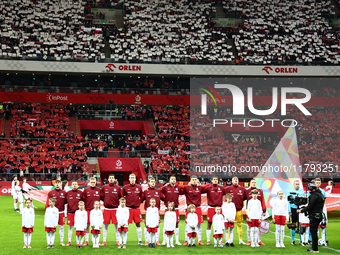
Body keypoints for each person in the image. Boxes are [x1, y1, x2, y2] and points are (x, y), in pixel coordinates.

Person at [297, 182, 325, 253]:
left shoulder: (313, 196)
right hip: (319, 215)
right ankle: (314, 247)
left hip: (314, 216)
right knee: (314, 231)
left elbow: (310, 206)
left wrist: (301, 210)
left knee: (313, 232)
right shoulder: (321, 194)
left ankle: (315, 248)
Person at [160, 175, 183, 245]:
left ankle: (177, 240)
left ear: (176, 181)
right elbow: (158, 191)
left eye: (174, 179)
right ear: (169, 180)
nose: (173, 180)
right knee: (166, 224)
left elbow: (184, 191)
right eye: (172, 179)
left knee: (176, 224)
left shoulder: (178, 187)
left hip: (176, 208)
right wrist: (163, 199)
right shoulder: (165, 187)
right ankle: (164, 240)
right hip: (167, 209)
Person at [121, 173, 143, 245]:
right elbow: (121, 194)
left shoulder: (139, 187)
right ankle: (124, 241)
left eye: (134, 178)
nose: (132, 179)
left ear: (135, 179)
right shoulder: (125, 187)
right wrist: (124, 201)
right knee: (126, 224)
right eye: (131, 178)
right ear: (129, 179)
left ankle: (140, 240)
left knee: (138, 224)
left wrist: (139, 201)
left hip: (136, 209)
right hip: (128, 209)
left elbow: (142, 196)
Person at [182, 175, 205, 245]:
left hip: (197, 208)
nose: (194, 181)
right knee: (187, 225)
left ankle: (199, 240)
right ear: (190, 181)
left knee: (199, 225)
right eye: (193, 180)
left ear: (197, 180)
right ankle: (186, 240)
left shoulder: (200, 188)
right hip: (189, 208)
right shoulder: (187, 187)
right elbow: (178, 187)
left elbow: (208, 186)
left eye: (195, 179)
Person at [224, 176, 247, 245]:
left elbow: (244, 197)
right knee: (228, 226)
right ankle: (229, 240)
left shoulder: (242, 189)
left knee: (239, 225)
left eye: (237, 179)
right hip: (230, 212)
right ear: (232, 181)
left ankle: (240, 240)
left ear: (238, 181)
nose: (235, 180)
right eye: (234, 179)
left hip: (239, 210)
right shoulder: (228, 188)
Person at [100, 174, 121, 246]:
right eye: (110, 178)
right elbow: (102, 197)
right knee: (105, 225)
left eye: (112, 178)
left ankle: (118, 241)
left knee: (117, 225)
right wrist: (106, 201)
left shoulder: (118, 188)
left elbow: (120, 198)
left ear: (115, 179)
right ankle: (104, 241)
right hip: (107, 209)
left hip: (115, 209)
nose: (111, 179)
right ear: (108, 179)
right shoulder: (104, 187)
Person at [141, 177, 163, 246]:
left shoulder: (158, 191)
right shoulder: (146, 191)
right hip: (148, 212)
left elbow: (164, 198)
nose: (153, 183)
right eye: (151, 182)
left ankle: (156, 241)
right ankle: (147, 241)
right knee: (146, 226)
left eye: (154, 182)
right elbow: (141, 199)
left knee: (157, 226)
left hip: (156, 212)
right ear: (149, 183)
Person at [203, 176, 225, 245]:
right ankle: (208, 240)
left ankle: (220, 239)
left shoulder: (221, 188)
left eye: (216, 179)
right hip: (211, 208)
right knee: (209, 224)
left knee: (220, 225)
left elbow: (228, 191)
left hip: (219, 208)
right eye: (214, 179)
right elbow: (201, 188)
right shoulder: (208, 188)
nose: (215, 180)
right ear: (211, 181)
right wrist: (207, 184)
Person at [46, 179, 67, 246]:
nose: (57, 184)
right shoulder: (51, 192)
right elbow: (47, 202)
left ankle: (61, 241)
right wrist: (47, 209)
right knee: (51, 227)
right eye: (56, 183)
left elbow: (66, 201)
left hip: (61, 212)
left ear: (60, 184)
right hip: (52, 212)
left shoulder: (64, 192)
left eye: (58, 183)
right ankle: (50, 242)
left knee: (61, 227)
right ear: (54, 184)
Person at [245, 179, 266, 246]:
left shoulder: (259, 191)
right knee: (250, 228)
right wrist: (248, 216)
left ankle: (258, 241)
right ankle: (250, 241)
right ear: (250, 183)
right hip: (251, 214)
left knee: (257, 229)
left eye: (255, 182)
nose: (254, 183)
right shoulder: (247, 191)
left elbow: (262, 202)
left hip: (257, 215)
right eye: (252, 182)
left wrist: (264, 210)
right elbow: (247, 207)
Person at [83, 177, 101, 246]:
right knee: (87, 226)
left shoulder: (99, 190)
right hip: (88, 210)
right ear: (89, 182)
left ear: (96, 182)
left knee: (97, 226)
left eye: (94, 182)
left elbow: (101, 198)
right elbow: (84, 199)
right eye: (91, 182)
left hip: (96, 211)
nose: (93, 183)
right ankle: (86, 241)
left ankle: (97, 241)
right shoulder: (86, 190)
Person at [65, 181, 83, 246]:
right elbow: (65, 202)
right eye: (73, 184)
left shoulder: (81, 193)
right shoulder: (68, 193)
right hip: (70, 213)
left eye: (75, 184)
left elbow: (83, 202)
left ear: (77, 185)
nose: (74, 185)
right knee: (70, 227)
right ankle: (69, 241)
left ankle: (79, 242)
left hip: (79, 214)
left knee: (79, 227)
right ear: (71, 185)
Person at [288, 179, 305, 245]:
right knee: (293, 224)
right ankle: (293, 240)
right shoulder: (290, 191)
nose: (297, 185)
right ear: (293, 184)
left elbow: (304, 200)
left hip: (300, 209)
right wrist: (289, 211)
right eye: (296, 184)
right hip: (293, 209)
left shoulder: (302, 191)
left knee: (300, 223)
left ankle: (301, 240)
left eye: (298, 184)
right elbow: (288, 202)